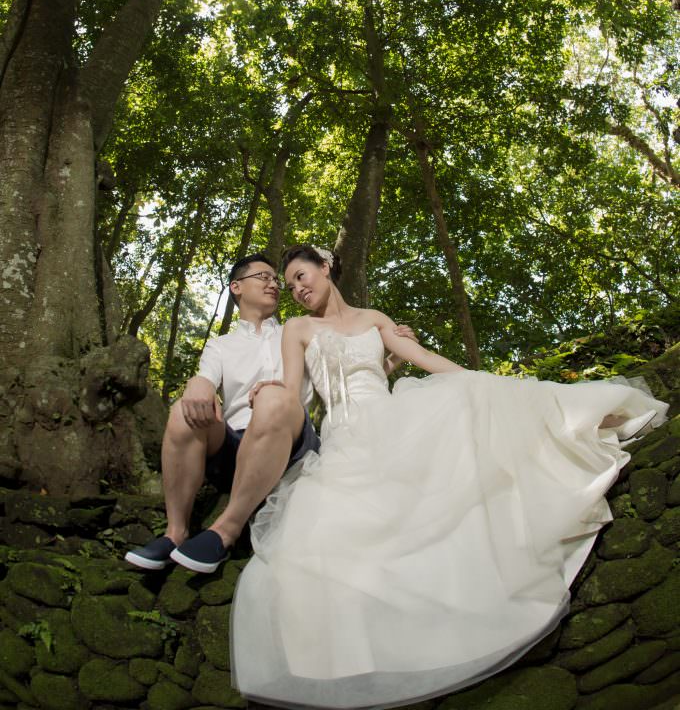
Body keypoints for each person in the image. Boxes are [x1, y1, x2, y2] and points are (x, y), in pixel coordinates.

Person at [231, 244, 667, 710]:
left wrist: (482, 383)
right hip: (345, 438)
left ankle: (578, 426)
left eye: (303, 275)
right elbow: (297, 395)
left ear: (326, 268)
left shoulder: (375, 319)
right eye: (291, 283)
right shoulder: (297, 328)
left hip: (394, 418)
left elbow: (421, 357)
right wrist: (271, 389)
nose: (297, 288)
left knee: (461, 442)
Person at [126, 252, 414, 574]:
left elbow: (342, 378)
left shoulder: (302, 330)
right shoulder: (221, 346)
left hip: (290, 438)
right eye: (263, 277)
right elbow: (205, 380)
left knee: (273, 398)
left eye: (277, 280)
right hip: (235, 444)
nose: (274, 284)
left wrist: (391, 359)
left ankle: (225, 531)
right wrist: (198, 382)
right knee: (182, 411)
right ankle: (175, 532)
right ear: (236, 287)